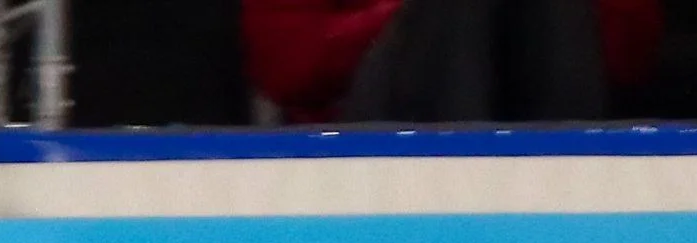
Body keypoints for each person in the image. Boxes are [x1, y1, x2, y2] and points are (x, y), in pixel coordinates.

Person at [243, 0, 662, 123]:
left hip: (560, 139)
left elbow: (631, 57)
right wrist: (406, 15)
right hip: (367, 156)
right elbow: (290, 65)